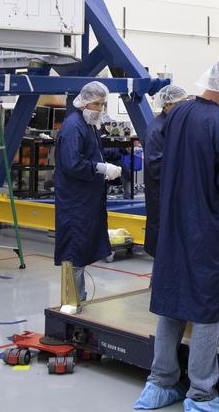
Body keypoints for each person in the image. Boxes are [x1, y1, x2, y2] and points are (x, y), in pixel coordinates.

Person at [134, 61, 219, 412]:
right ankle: (201, 393)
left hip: (173, 224)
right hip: (205, 229)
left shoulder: (177, 115)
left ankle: (161, 382)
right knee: (206, 308)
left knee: (171, 302)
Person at [54, 80, 122, 302]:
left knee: (82, 248)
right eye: (97, 104)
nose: (100, 109)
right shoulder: (73, 126)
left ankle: (78, 298)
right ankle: (71, 302)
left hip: (87, 198)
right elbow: (72, 163)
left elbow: (93, 152)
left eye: (103, 104)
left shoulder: (88, 124)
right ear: (85, 102)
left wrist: (110, 159)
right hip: (75, 200)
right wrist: (100, 168)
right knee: (74, 249)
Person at [143, 84, 189, 257]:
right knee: (161, 233)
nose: (184, 108)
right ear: (167, 105)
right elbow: (157, 166)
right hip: (161, 193)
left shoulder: (174, 124)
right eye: (181, 104)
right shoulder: (157, 129)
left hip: (173, 191)